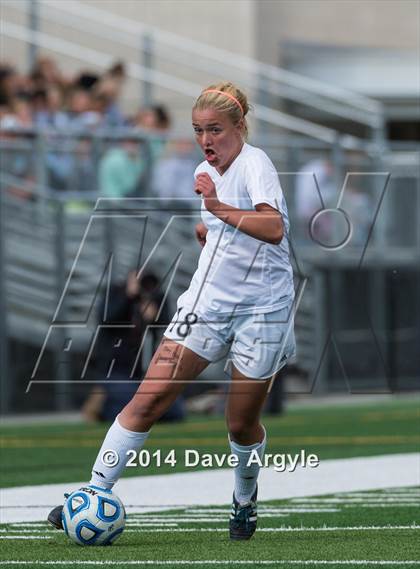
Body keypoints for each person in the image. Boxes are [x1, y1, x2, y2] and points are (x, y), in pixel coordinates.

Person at [47, 81, 296, 541]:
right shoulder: (207, 167)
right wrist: (212, 229)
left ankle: (244, 497)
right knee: (149, 397)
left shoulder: (256, 162)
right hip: (209, 300)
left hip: (264, 306)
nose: (207, 140)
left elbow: (275, 226)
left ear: (240, 127)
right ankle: (93, 491)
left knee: (240, 423)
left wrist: (217, 210)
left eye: (216, 130)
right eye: (199, 130)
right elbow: (229, 224)